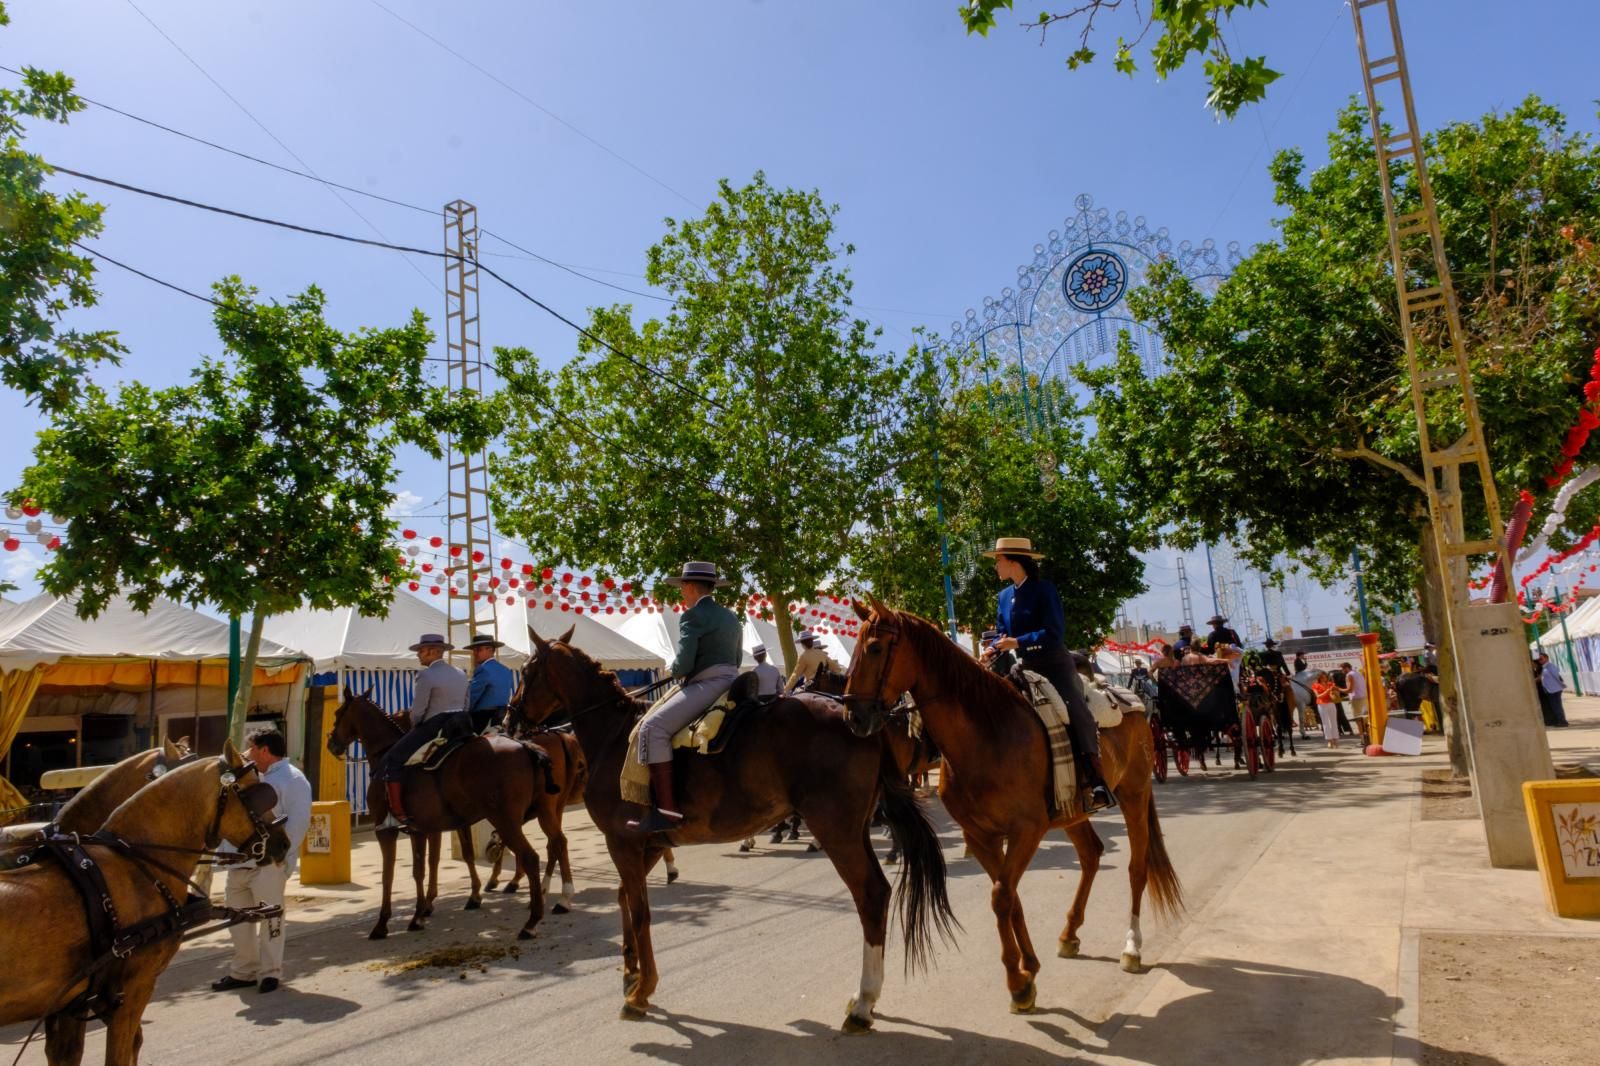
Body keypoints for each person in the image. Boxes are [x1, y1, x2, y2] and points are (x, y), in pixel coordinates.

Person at [979, 536, 1112, 811]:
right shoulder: (1004, 596)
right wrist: (992, 650)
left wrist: (1018, 642)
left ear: (1014, 562)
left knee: (1076, 710)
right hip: (1024, 665)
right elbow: (1002, 633)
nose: (996, 567)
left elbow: (1054, 632)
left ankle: (1096, 779)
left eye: (998, 561)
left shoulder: (1044, 590)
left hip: (1055, 664)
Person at [630, 561, 743, 832]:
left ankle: (667, 811)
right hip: (732, 680)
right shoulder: (731, 617)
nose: (681, 593)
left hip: (708, 683)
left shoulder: (692, 616)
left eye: (682, 587)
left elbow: (684, 664)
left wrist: (675, 668)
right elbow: (738, 658)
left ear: (691, 587)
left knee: (652, 727)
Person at [211, 727, 311, 995]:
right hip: (239, 864)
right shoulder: (251, 777)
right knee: (238, 921)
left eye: (251, 748)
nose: (247, 753)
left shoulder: (294, 779)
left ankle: (270, 973)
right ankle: (244, 971)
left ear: (264, 750)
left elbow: (298, 824)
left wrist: (282, 860)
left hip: (268, 865)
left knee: (271, 920)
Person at [383, 633, 470, 825]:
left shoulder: (426, 674)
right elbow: (466, 703)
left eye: (421, 651)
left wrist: (414, 726)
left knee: (393, 759)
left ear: (432, 651)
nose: (418, 655)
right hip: (462, 723)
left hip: (435, 724)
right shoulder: (461, 673)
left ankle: (397, 813)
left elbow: (418, 711)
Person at [465, 633, 516, 734]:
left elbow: (471, 697)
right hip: (502, 718)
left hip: (482, 720)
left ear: (490, 650)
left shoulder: (483, 669)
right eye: (474, 650)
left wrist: (463, 712)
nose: (474, 653)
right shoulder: (506, 670)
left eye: (478, 649)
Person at [1537, 653, 1570, 727]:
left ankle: (1562, 721)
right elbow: (1542, 678)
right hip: (1550, 690)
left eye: (1541, 659)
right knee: (1554, 706)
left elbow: (1556, 676)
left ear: (1546, 658)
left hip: (1554, 689)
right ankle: (1559, 720)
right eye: (1539, 659)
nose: (1540, 661)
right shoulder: (1544, 667)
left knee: (1557, 706)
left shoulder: (1550, 666)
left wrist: (1561, 685)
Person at [1341, 661, 1370, 745]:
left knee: (1358, 720)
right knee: (1365, 719)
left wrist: (1337, 689)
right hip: (1364, 697)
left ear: (1346, 668)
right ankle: (1368, 737)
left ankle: (1363, 740)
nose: (1342, 671)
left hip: (1356, 699)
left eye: (1342, 669)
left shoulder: (1349, 675)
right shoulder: (1358, 673)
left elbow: (1350, 690)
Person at [1311, 672, 1341, 748]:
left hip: (1331, 703)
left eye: (1325, 677)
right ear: (1319, 678)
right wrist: (1327, 691)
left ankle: (1336, 739)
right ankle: (1329, 741)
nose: (1324, 679)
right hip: (1322, 704)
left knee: (1334, 722)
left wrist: (1335, 691)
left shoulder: (1330, 684)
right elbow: (1318, 696)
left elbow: (1336, 692)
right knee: (1325, 723)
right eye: (1322, 677)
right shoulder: (1315, 685)